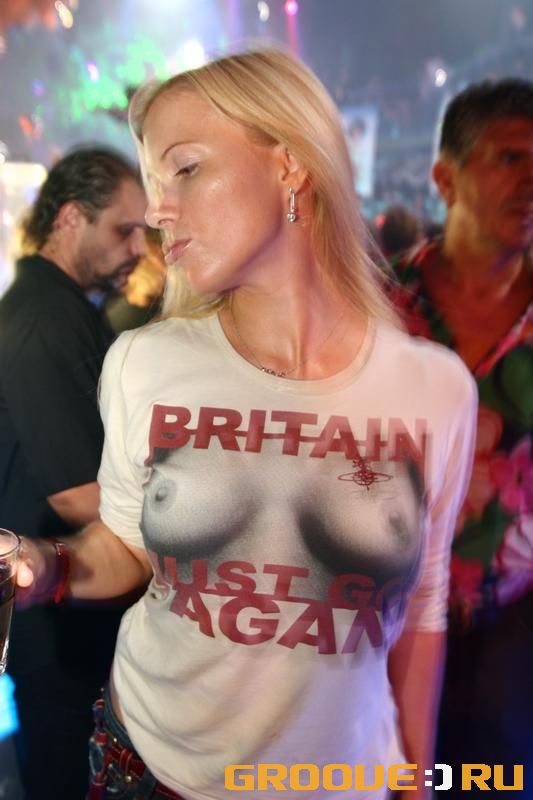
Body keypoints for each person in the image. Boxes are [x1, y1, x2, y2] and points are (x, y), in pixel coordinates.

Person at [17, 50, 476, 800]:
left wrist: (417, 779)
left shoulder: (434, 389)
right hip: (149, 769)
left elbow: (421, 605)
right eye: (156, 184)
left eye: (185, 169)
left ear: (289, 164)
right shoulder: (145, 362)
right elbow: (126, 546)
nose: (158, 212)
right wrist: (43, 565)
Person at [392, 79, 533, 794]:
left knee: (494, 780)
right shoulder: (378, 307)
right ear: (444, 179)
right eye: (510, 158)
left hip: (513, 627)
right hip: (379, 623)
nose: (530, 181)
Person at [0, 146, 147, 800]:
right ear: (69, 218)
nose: (139, 247)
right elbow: (78, 494)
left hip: (71, 606)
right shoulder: (44, 317)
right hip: (56, 622)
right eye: (124, 229)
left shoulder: (64, 307)